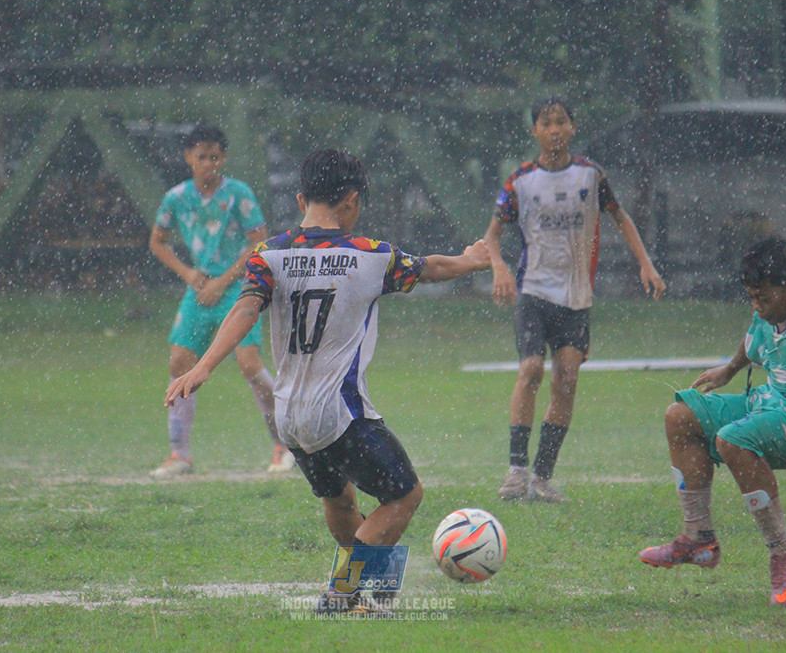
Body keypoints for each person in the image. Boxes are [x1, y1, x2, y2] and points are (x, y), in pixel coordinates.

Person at [165, 149, 491, 614]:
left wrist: (203, 367)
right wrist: (471, 260)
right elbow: (430, 268)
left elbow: (244, 309)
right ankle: (342, 591)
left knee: (341, 503)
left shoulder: (269, 254)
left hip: (289, 415)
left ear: (301, 199)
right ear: (353, 201)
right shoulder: (369, 255)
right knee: (405, 495)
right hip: (338, 413)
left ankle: (374, 592)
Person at [639, 237, 786, 606]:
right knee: (680, 416)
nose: (757, 308)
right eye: (751, 298)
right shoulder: (769, 315)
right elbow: (752, 343)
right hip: (770, 405)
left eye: (763, 299)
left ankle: (784, 551)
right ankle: (699, 538)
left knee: (732, 439)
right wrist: (729, 369)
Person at [485, 96, 666, 503]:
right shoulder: (521, 180)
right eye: (546, 123)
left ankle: (542, 479)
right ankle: (516, 471)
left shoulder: (591, 176)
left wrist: (646, 264)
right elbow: (492, 234)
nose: (554, 130)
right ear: (534, 131)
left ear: (572, 128)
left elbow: (620, 216)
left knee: (565, 380)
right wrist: (498, 268)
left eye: (561, 122)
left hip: (576, 298)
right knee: (531, 368)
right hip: (533, 291)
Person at [149, 124, 292, 478]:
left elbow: (259, 242)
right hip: (199, 288)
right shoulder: (176, 197)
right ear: (188, 159)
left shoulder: (238, 194)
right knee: (180, 361)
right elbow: (157, 241)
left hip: (238, 287)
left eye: (215, 157)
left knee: (249, 364)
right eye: (202, 157)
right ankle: (179, 454)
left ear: (223, 158)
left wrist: (223, 280)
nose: (209, 164)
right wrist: (189, 274)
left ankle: (285, 445)